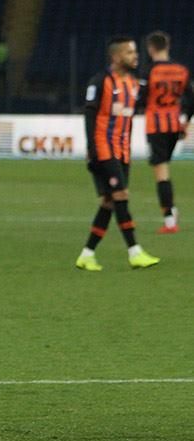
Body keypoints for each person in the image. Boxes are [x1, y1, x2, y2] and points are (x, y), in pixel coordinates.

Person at [76, 36, 160, 271]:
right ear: (115, 57)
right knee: (121, 195)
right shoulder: (100, 81)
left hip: (123, 152)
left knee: (109, 202)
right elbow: (90, 115)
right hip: (104, 150)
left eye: (135, 52)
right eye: (129, 53)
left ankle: (87, 254)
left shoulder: (134, 84)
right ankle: (135, 251)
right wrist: (92, 149)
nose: (135, 56)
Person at [137, 31, 193, 234]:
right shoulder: (181, 70)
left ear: (150, 48)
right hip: (174, 127)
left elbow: (140, 99)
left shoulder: (149, 71)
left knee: (161, 173)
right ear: (167, 46)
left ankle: (170, 220)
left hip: (156, 127)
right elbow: (191, 100)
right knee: (164, 168)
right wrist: (185, 122)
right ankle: (171, 210)